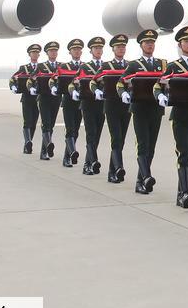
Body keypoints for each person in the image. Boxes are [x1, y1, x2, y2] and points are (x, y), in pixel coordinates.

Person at [154, 26, 188, 208]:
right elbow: (158, 86)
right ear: (180, 44)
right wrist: (161, 96)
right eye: (186, 41)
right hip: (180, 113)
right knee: (183, 153)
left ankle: (181, 193)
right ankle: (186, 191)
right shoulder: (173, 66)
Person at [117, 30, 167, 194]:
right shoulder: (133, 65)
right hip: (139, 108)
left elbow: (168, 82)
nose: (150, 45)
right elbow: (120, 83)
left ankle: (142, 180)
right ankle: (145, 177)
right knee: (143, 144)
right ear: (141, 45)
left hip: (156, 109)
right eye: (147, 42)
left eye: (152, 42)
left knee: (151, 147)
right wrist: (124, 93)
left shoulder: (163, 64)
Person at [100, 35, 132, 183]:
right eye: (118, 46)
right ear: (113, 49)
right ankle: (118, 168)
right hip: (111, 104)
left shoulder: (130, 65)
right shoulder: (106, 66)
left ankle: (113, 172)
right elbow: (95, 81)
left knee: (122, 139)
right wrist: (98, 91)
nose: (121, 49)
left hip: (126, 105)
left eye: (123, 46)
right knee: (116, 138)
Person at [68, 38, 102, 175]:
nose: (98, 50)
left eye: (100, 48)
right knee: (91, 133)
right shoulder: (85, 67)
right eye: (96, 48)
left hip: (102, 104)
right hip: (88, 104)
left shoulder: (106, 66)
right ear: (91, 51)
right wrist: (74, 92)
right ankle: (90, 163)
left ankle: (89, 162)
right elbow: (72, 83)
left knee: (97, 134)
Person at [30, 41, 63, 160]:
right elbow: (31, 80)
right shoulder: (41, 67)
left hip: (56, 98)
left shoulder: (62, 66)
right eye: (51, 51)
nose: (54, 53)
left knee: (52, 124)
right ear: (47, 53)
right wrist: (32, 88)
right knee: (46, 123)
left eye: (55, 51)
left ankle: (46, 148)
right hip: (44, 98)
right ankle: (46, 149)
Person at [56, 39, 85, 168]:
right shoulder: (63, 67)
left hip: (81, 101)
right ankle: (71, 153)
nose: (77, 51)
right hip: (68, 100)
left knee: (76, 130)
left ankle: (67, 156)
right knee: (70, 129)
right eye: (74, 49)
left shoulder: (85, 66)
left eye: (79, 49)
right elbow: (56, 80)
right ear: (70, 52)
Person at [10, 45, 41, 153]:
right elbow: (13, 78)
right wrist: (13, 86)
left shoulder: (42, 67)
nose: (35, 54)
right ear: (29, 55)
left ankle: (28, 143)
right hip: (27, 98)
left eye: (37, 53)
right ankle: (27, 141)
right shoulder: (24, 68)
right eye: (33, 53)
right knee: (27, 121)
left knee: (34, 122)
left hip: (38, 98)